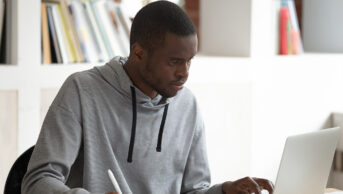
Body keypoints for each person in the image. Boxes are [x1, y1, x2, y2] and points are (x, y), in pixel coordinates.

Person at [22, 1, 274, 194]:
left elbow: (193, 190)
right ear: (139, 53)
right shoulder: (82, 91)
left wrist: (224, 190)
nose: (184, 73)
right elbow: (37, 182)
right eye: (174, 62)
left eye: (189, 61)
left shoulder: (187, 105)